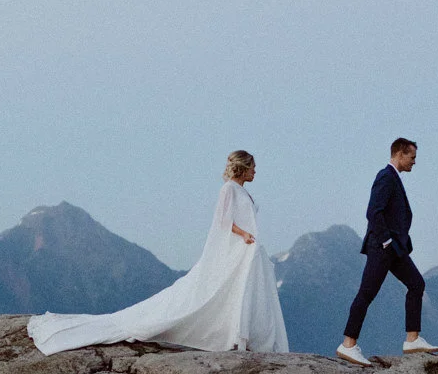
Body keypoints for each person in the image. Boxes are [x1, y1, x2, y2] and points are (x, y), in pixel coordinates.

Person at [28, 150, 289, 354]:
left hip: (245, 249)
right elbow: (223, 221)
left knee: (241, 290)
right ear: (243, 167)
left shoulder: (241, 190)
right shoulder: (228, 189)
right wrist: (243, 234)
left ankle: (243, 334)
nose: (255, 171)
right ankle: (233, 334)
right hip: (239, 246)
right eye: (253, 167)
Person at [336, 138, 438, 367]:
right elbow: (373, 212)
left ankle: (412, 339)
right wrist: (386, 242)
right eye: (412, 157)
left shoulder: (394, 178)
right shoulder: (386, 177)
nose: (414, 162)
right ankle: (348, 344)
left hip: (395, 249)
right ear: (400, 154)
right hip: (383, 248)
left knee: (416, 284)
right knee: (366, 293)